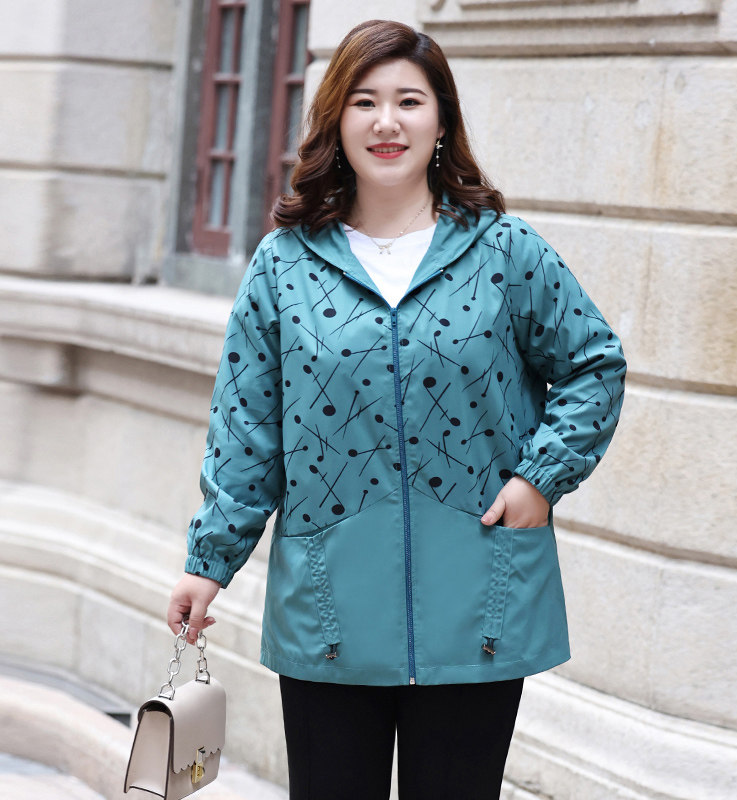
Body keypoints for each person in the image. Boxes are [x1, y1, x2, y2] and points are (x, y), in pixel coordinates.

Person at [167, 18, 626, 800]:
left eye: (409, 101)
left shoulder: (505, 251)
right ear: (336, 121)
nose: (387, 122)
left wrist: (538, 480)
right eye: (364, 102)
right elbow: (247, 427)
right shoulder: (284, 266)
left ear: (441, 120)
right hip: (330, 604)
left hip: (479, 596)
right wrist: (208, 563)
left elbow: (594, 365)